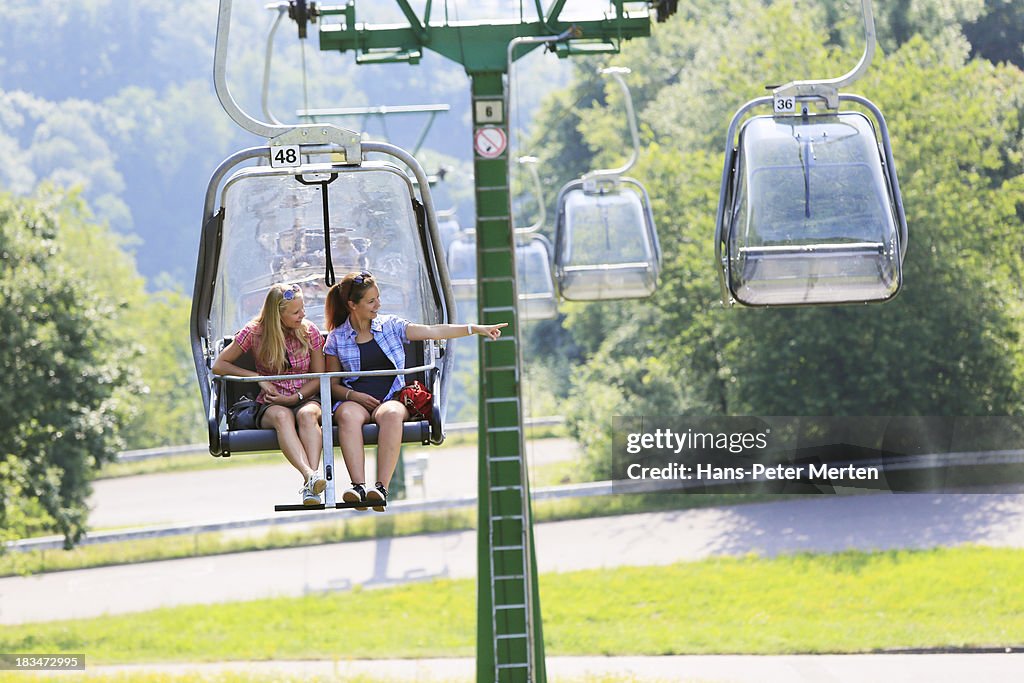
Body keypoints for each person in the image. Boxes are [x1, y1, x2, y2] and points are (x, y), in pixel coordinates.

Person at [324, 271, 507, 511]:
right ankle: (357, 486)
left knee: (391, 415)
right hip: (355, 400)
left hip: (390, 397)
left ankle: (380, 489)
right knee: (347, 415)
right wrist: (353, 396)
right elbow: (332, 384)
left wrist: (474, 329)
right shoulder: (337, 339)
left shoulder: (391, 326)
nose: (378, 304)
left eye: (377, 298)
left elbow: (433, 332)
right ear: (352, 305)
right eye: (371, 301)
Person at [212, 283, 327, 505]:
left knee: (307, 416)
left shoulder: (308, 331)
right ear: (278, 315)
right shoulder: (254, 332)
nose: (302, 315)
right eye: (295, 312)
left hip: (305, 397)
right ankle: (310, 475)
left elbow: (319, 377)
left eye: (303, 309)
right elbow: (220, 365)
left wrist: (296, 398)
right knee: (282, 417)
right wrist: (258, 379)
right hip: (272, 402)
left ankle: (312, 482)